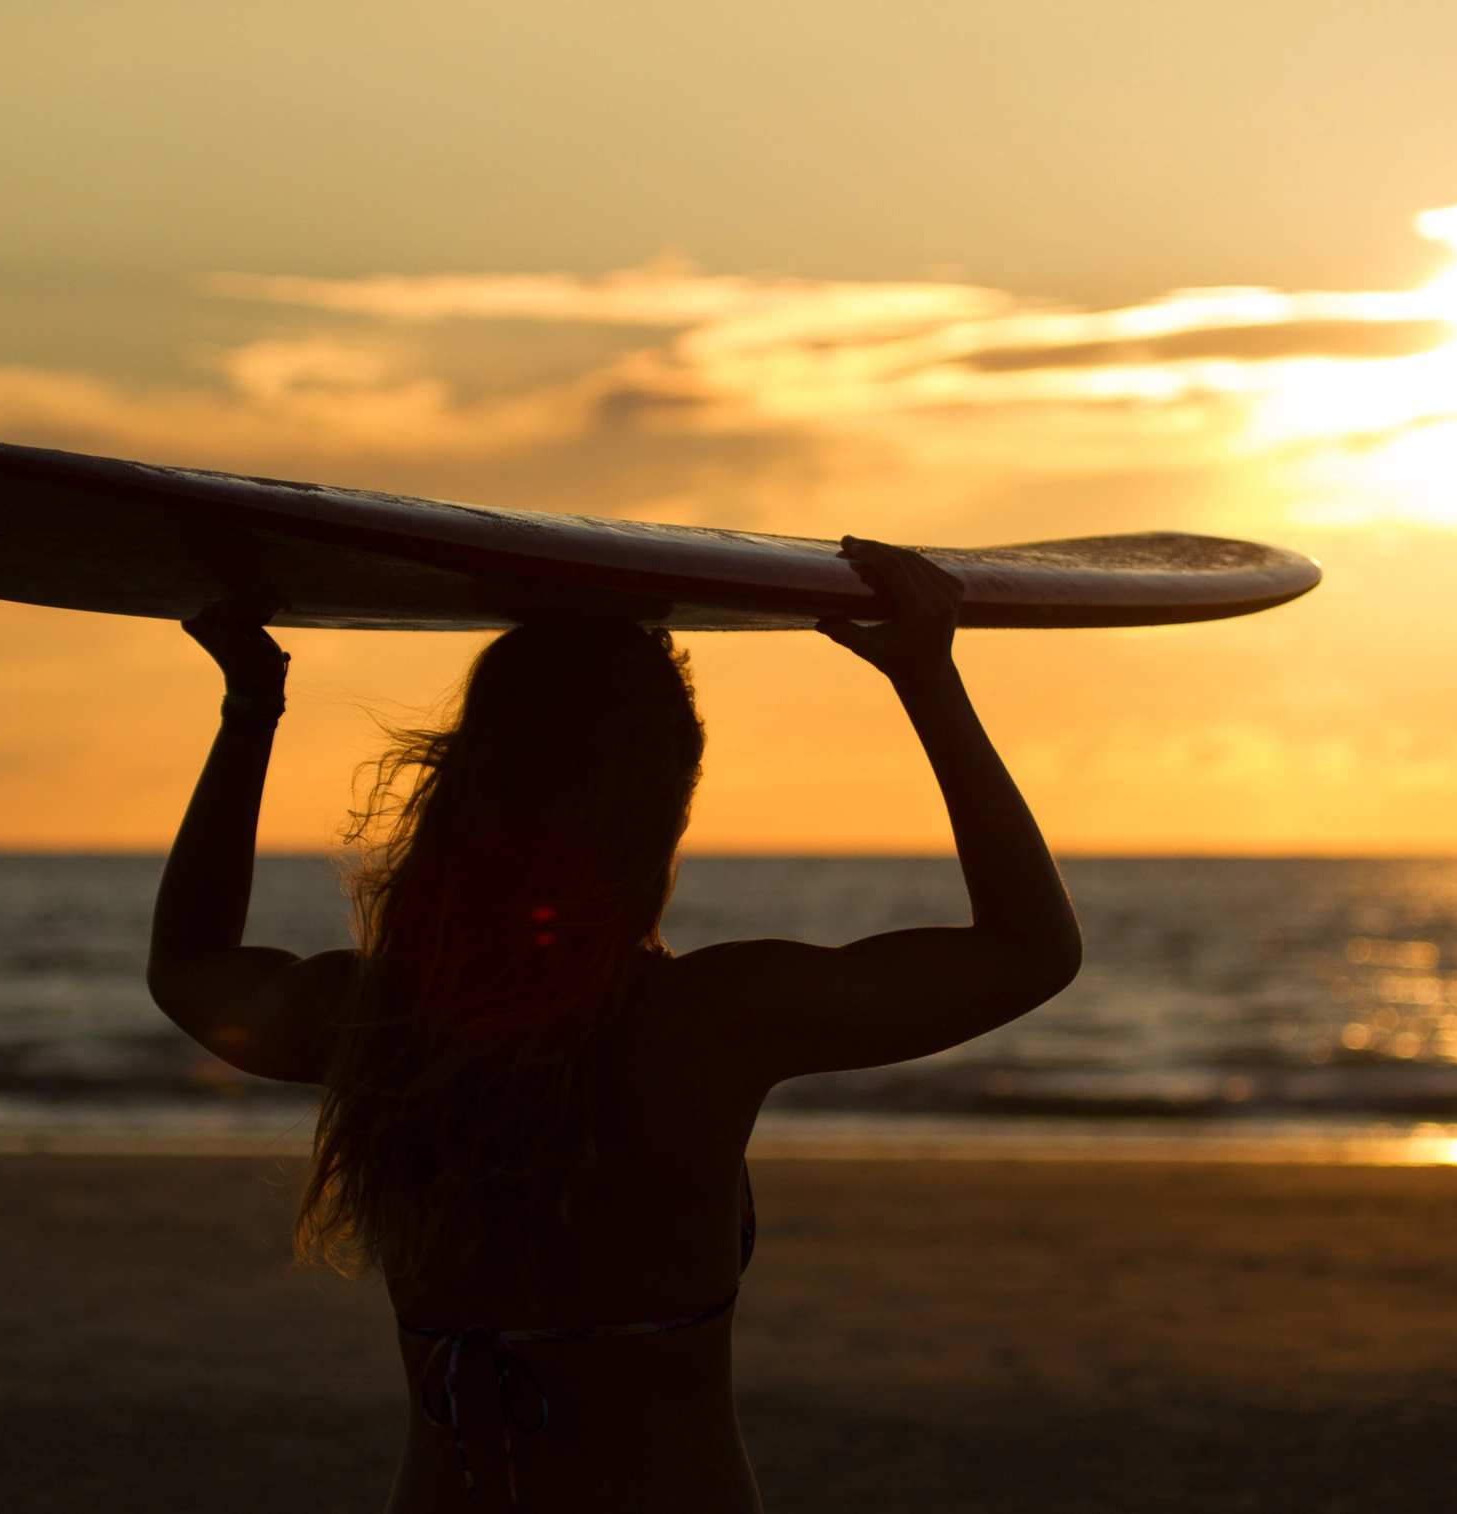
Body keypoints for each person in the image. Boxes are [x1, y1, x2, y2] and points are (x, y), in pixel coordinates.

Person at [147, 538, 1082, 1513]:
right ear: (663, 810)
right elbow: (1030, 949)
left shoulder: (379, 1022)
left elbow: (188, 964)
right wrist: (928, 677)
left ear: (463, 779)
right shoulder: (713, 1020)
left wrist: (251, 704)